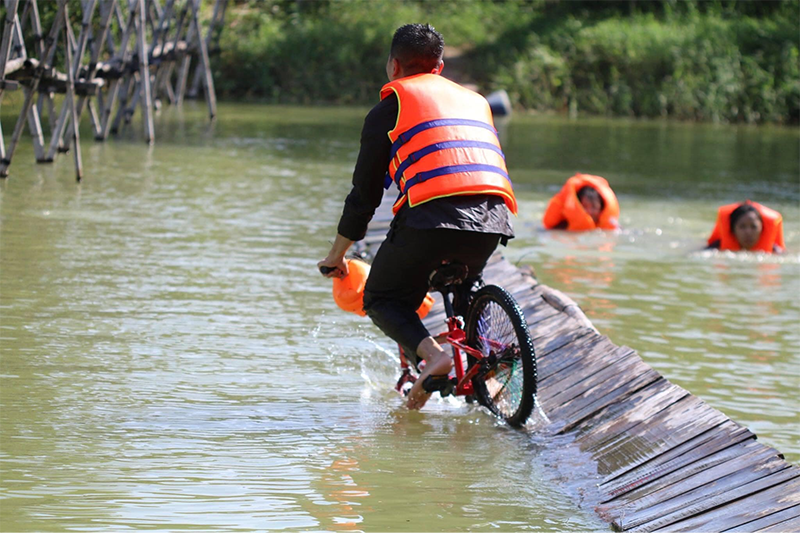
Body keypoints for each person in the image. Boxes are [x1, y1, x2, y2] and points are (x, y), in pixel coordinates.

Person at [318, 23, 517, 411]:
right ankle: (486, 369)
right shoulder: (475, 102)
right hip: (493, 220)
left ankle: (434, 356)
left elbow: (364, 197)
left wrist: (336, 255)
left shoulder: (388, 109)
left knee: (382, 298)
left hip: (430, 222)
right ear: (439, 67)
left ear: (393, 66)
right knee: (466, 284)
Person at [542, 173, 620, 231]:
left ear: (601, 207)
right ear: (578, 205)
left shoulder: (613, 226)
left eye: (594, 207)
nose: (590, 212)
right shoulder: (563, 225)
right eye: (585, 206)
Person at [706, 201, 785, 253]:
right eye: (742, 227)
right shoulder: (714, 249)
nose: (748, 232)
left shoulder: (776, 251)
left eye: (754, 227)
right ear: (733, 230)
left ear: (762, 229)